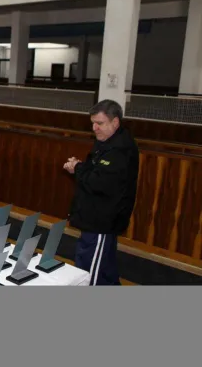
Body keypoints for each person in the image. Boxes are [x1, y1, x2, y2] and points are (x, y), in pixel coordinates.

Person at [64, 99, 139, 286]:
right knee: (104, 270)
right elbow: (95, 170)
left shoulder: (120, 150)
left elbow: (99, 182)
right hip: (94, 217)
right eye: (93, 123)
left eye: (99, 123)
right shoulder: (106, 141)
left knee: (89, 273)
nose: (94, 128)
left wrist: (77, 168)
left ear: (115, 122)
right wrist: (79, 166)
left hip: (102, 221)